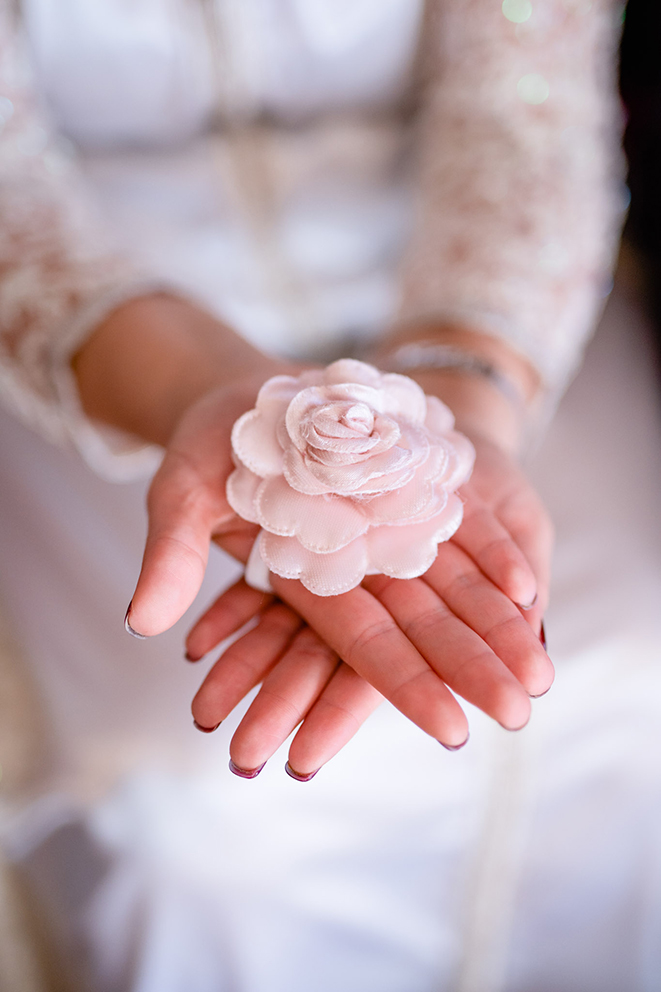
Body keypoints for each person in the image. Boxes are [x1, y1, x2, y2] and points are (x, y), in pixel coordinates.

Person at [0, 2, 638, 990]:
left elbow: (526, 104)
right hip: (110, 343)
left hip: (474, 284)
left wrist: (466, 384)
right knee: (195, 807)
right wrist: (188, 384)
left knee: (638, 676)